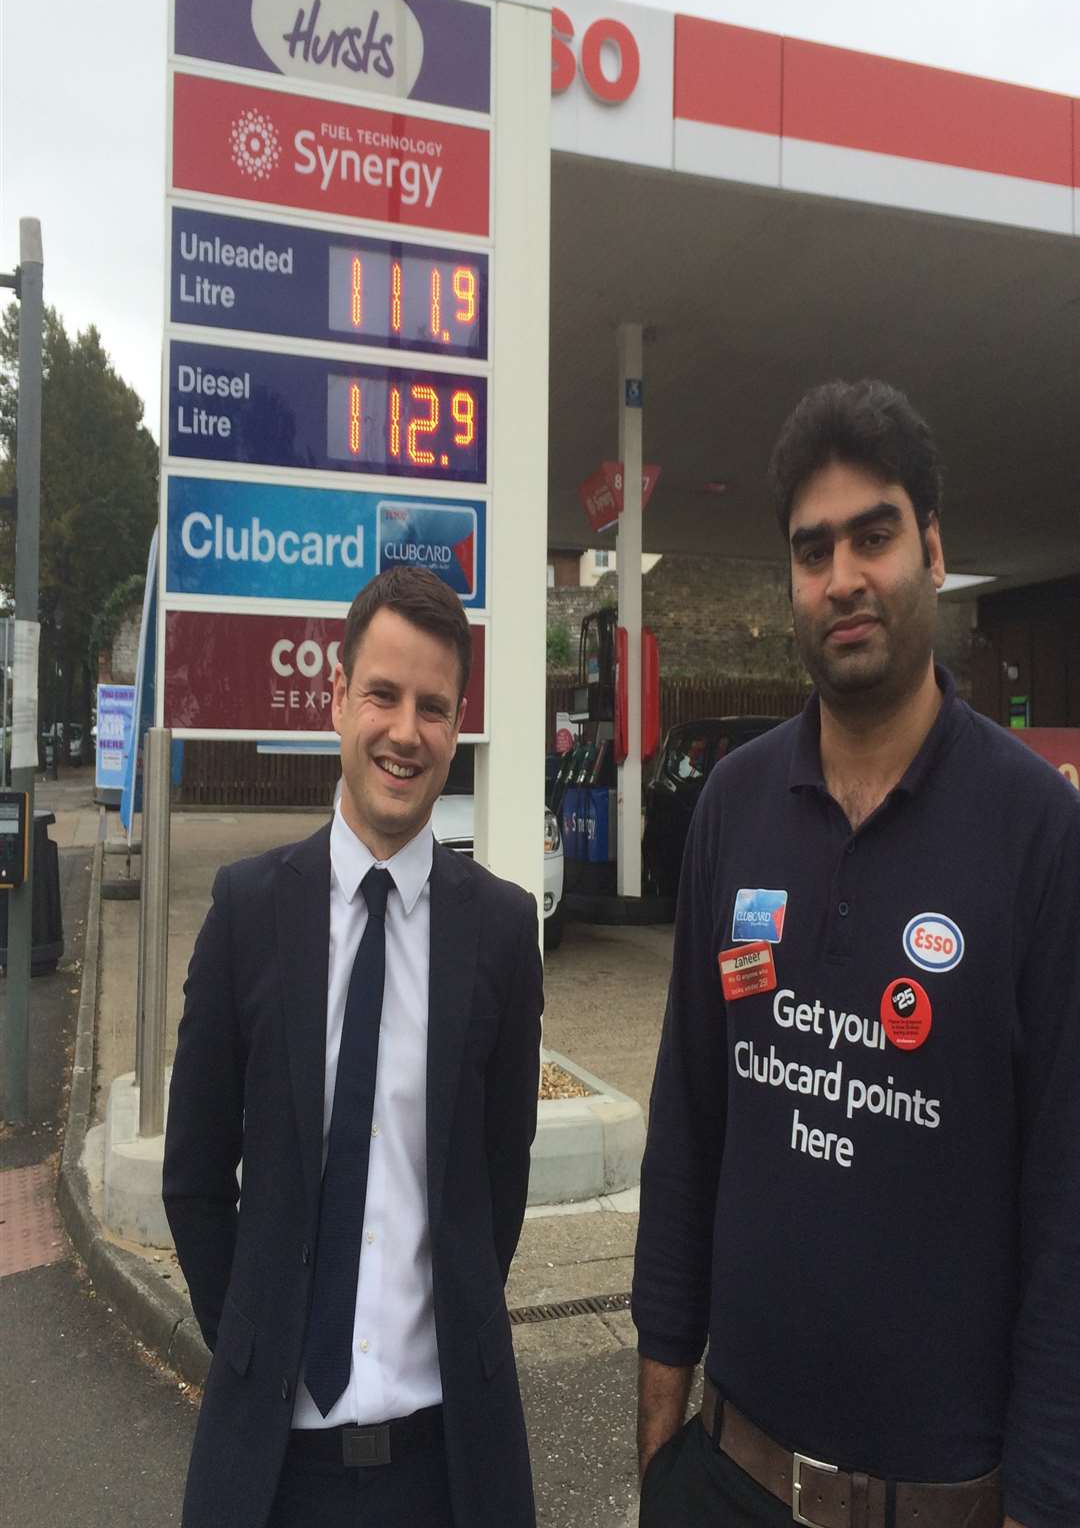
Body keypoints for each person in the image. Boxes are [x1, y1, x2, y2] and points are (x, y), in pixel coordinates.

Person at [632, 378, 1080, 1528]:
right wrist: (657, 1451)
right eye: (812, 549)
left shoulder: (1040, 833)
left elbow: (1066, 1207)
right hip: (729, 1479)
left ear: (933, 548)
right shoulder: (734, 806)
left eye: (874, 535)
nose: (842, 577)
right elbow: (689, 1120)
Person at [164, 566, 543, 1528]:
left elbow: (499, 1188)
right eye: (382, 694)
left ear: (457, 727)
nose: (404, 731)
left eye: (433, 707)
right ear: (337, 700)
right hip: (274, 1473)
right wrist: (253, 1343)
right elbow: (196, 1177)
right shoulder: (247, 911)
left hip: (448, 1469)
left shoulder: (501, 931)